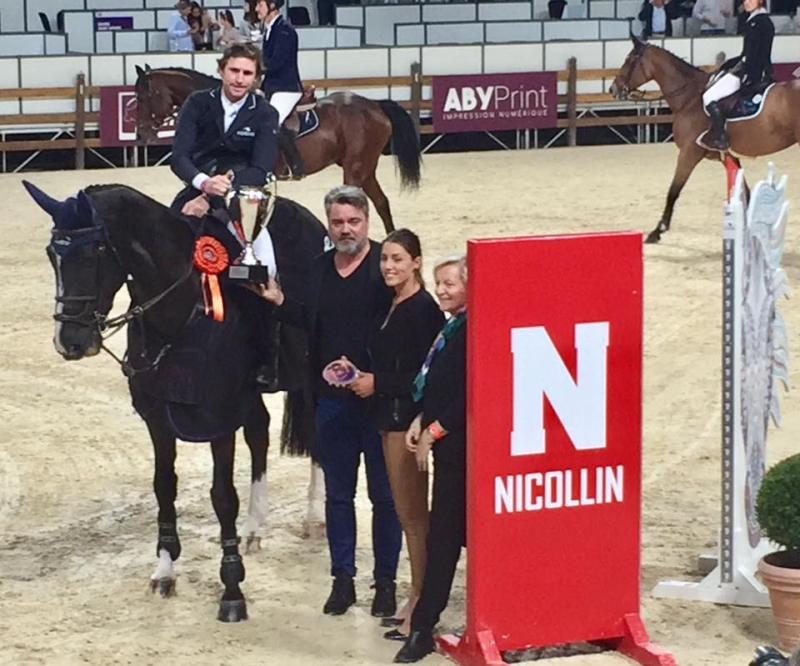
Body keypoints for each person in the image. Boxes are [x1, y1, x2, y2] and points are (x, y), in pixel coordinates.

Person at [254, 185, 403, 618]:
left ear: (367, 223)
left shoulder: (385, 269)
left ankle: (386, 584)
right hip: (332, 405)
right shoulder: (318, 270)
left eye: (353, 221)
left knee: (384, 499)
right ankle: (343, 580)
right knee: (338, 497)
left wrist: (381, 381)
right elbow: (310, 320)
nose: (345, 229)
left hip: (377, 406)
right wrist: (280, 303)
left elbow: (406, 336)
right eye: (337, 222)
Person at [348, 230, 444, 641]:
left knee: (413, 517)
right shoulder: (393, 303)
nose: (389, 266)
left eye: (398, 259)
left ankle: (421, 603)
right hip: (387, 419)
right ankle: (416, 596)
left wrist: (378, 382)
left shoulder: (423, 310)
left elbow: (429, 375)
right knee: (407, 516)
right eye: (385, 259)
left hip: (405, 424)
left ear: (417, 262)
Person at [394, 255, 468, 664]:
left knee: (445, 537)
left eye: (450, 284)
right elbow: (442, 386)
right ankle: (424, 625)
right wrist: (422, 418)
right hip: (447, 446)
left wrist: (434, 431)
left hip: (463, 452)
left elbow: (472, 392)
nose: (441, 290)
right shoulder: (452, 326)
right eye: (439, 283)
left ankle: (424, 627)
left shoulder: (473, 328)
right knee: (443, 538)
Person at [169, 43, 278, 220]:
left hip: (243, 194)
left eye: (247, 73)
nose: (240, 79)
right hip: (198, 186)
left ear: (256, 78)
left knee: (261, 244)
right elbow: (179, 157)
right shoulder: (197, 102)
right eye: (234, 70)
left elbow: (260, 169)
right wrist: (204, 183)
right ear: (221, 70)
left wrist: (211, 195)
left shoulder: (266, 113)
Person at [698, 0, 774, 151]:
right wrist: (726, 65)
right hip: (750, 67)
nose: (747, 3)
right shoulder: (755, 20)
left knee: (708, 97)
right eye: (745, 0)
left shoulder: (759, 22)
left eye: (751, 0)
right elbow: (745, 53)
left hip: (751, 71)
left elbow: (756, 54)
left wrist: (748, 73)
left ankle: (720, 137)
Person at [255, 0, 305, 178]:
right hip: (271, 86)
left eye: (260, 5)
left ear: (272, 6)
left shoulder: (285, 30)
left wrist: (254, 67)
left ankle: (295, 166)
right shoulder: (269, 30)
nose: (256, 9)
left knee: (271, 123)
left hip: (286, 88)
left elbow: (276, 63)